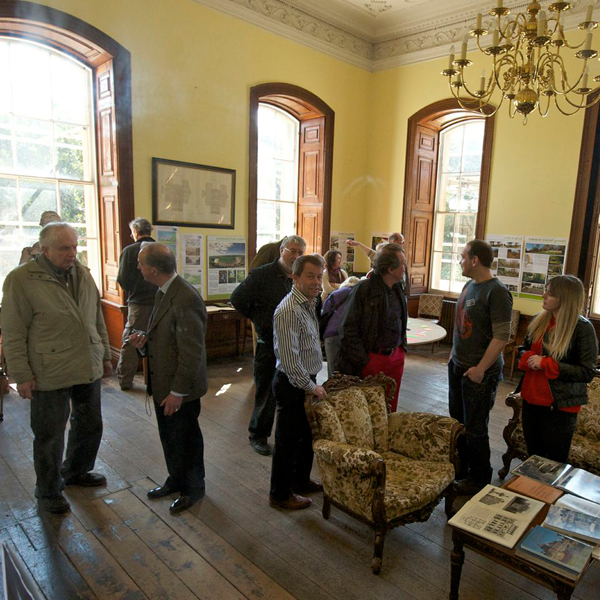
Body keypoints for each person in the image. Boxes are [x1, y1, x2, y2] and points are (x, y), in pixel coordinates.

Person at [2, 223, 112, 514]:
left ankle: (76, 471)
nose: (72, 253)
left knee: (90, 424)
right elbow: (13, 332)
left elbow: (96, 318)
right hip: (49, 369)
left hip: (87, 363)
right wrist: (21, 376)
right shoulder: (21, 279)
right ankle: (49, 490)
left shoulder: (83, 273)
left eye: (75, 246)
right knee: (49, 435)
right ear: (45, 249)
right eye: (64, 248)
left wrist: (104, 354)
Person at [129, 243, 208, 515]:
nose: (137, 267)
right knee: (170, 437)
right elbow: (166, 338)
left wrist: (178, 392)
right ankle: (176, 480)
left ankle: (193, 488)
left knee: (186, 439)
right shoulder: (163, 291)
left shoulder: (185, 297)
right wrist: (144, 342)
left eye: (140, 263)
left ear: (153, 270)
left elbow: (192, 353)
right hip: (164, 384)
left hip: (179, 389)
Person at [230, 235, 306, 456]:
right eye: (292, 251)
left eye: (300, 252)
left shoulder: (301, 276)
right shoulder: (262, 275)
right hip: (270, 345)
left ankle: (290, 436)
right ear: (281, 250)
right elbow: (237, 299)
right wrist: (260, 320)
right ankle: (258, 435)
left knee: (293, 392)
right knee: (266, 393)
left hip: (295, 345)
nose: (296, 256)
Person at [448, 239, 513, 496]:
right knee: (459, 424)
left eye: (463, 257)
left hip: (479, 374)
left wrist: (480, 369)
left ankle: (479, 478)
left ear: (475, 260)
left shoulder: (497, 292)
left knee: (475, 429)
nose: (460, 261)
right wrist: (453, 357)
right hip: (458, 367)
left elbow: (502, 336)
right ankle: (462, 470)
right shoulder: (469, 285)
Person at [518, 275, 598, 463]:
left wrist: (547, 364)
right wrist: (527, 357)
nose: (544, 295)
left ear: (565, 298)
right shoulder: (539, 320)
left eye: (550, 293)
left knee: (554, 464)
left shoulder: (582, 328)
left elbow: (587, 371)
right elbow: (523, 349)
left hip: (560, 407)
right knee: (533, 459)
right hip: (531, 400)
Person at [269, 254, 326, 510]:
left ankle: (300, 481)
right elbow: (290, 362)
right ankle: (280, 495)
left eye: (319, 276)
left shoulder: (309, 302)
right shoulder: (288, 310)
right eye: (310, 276)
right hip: (292, 383)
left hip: (306, 379)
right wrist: (312, 387)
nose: (316, 282)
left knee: (305, 436)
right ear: (295, 277)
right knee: (287, 443)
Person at [338, 244, 408, 412]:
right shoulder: (364, 289)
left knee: (391, 407)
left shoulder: (398, 288)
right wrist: (364, 361)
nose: (405, 267)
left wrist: (401, 350)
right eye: (402, 263)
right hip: (373, 358)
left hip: (396, 356)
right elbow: (347, 329)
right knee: (371, 409)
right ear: (390, 269)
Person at [116, 218, 157, 390]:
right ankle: (159, 380)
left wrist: (133, 291)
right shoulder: (161, 249)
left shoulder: (129, 251)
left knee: (131, 341)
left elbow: (122, 279)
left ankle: (125, 380)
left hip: (139, 303)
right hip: (161, 302)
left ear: (135, 232)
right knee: (159, 340)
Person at [320, 276, 360, 376]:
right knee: (351, 370)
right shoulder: (360, 294)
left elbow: (325, 312)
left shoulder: (335, 294)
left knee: (333, 370)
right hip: (351, 335)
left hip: (331, 333)